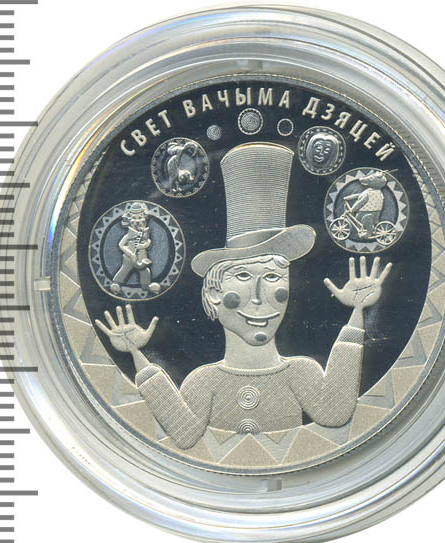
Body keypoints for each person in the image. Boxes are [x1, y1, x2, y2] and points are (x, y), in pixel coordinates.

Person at [97, 143, 392, 449]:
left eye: (273, 277)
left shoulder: (301, 372)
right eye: (242, 276)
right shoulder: (203, 381)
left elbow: (335, 413)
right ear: (213, 292)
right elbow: (184, 435)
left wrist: (357, 313)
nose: (259, 297)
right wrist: (136, 355)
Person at [110, 202, 161, 295]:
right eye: (134, 218)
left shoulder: (144, 233)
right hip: (129, 258)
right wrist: (129, 253)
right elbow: (121, 245)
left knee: (145, 271)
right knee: (125, 269)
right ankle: (116, 283)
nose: (137, 221)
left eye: (140, 218)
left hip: (142, 256)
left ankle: (146, 286)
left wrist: (144, 245)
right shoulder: (128, 235)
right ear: (129, 220)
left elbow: (148, 241)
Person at [343, 171, 388, 237]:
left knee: (364, 219)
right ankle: (362, 231)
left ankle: (369, 232)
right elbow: (360, 195)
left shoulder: (368, 193)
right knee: (360, 219)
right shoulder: (378, 192)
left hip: (367, 211)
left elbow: (360, 202)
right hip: (376, 211)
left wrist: (353, 209)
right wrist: (349, 198)